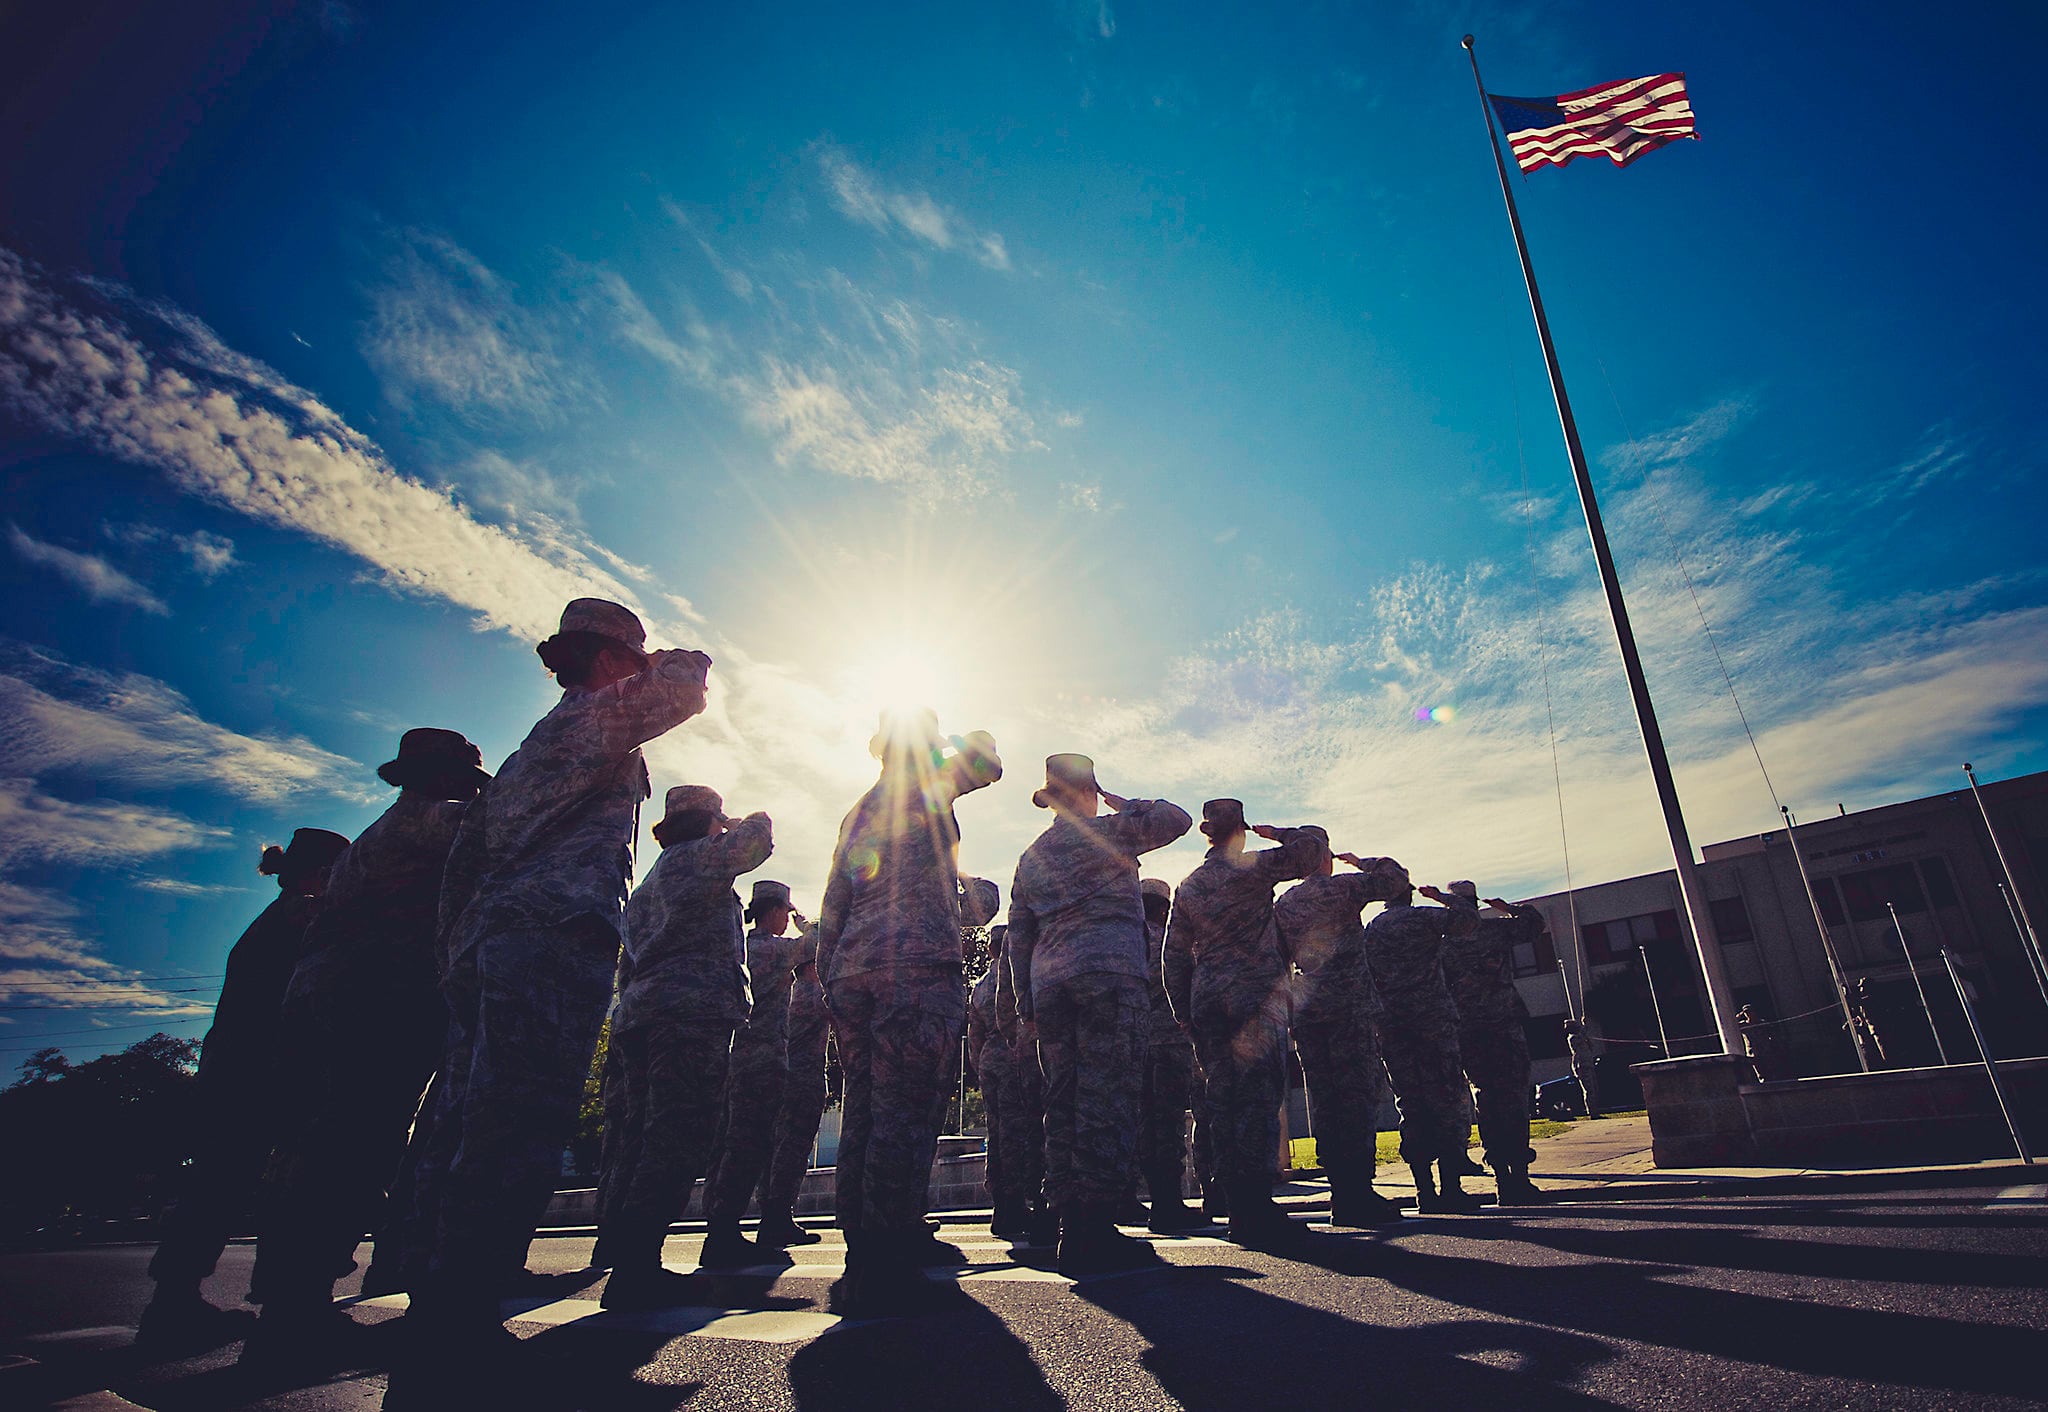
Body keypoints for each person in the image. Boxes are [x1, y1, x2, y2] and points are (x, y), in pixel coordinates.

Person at [403, 599, 711, 1355]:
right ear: (609, 660)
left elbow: (462, 866)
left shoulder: (523, 753)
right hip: (549, 936)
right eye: (630, 660)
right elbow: (687, 683)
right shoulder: (594, 717)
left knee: (467, 1118)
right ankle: (464, 1299)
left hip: (493, 938)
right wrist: (661, 658)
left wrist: (455, 952)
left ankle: (444, 1279)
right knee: (518, 1117)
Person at [250, 731, 489, 1352]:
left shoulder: (392, 827)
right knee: (352, 1141)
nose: (469, 789)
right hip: (372, 1000)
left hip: (344, 998)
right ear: (438, 776)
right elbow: (502, 822)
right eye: (463, 779)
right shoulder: (422, 822)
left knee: (327, 1140)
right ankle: (296, 1299)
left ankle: (289, 1290)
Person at [816, 709, 1002, 1313]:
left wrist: (833, 979)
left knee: (866, 1114)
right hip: (913, 968)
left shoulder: (862, 806)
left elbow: (835, 896)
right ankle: (885, 1258)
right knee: (906, 1114)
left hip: (854, 969)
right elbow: (990, 765)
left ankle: (865, 1246)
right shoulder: (928, 786)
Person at [138, 828, 350, 1347]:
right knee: (251, 1183)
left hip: (238, 1072)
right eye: (340, 871)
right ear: (320, 874)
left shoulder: (277, 917)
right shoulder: (305, 914)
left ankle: (174, 1302)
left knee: (220, 1182)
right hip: (263, 1073)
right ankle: (264, 1302)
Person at [1007, 754, 1192, 1273]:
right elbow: (1174, 818)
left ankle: (1070, 1221)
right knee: (1107, 1097)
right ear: (1089, 793)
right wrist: (1122, 802)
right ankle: (1094, 1228)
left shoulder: (1032, 855)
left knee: (1063, 1101)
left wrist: (1026, 1006)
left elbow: (1020, 936)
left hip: (1051, 987)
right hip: (1108, 976)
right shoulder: (1109, 832)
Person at [595, 787, 773, 1305]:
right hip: (688, 1012)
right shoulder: (697, 858)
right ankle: (636, 1267)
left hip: (645, 1014)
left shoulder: (652, 878)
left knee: (641, 1135)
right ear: (709, 822)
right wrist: (745, 817)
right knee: (677, 1134)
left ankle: (626, 1254)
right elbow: (756, 841)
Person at [1164, 800, 1320, 1250]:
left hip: (1209, 1002)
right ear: (1242, 830)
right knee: (1256, 1101)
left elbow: (1174, 956)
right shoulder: (1253, 867)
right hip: (1253, 998)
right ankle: (1254, 1207)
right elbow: (1310, 851)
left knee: (1224, 1103)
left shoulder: (1190, 885)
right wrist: (1280, 831)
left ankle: (1236, 1203)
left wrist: (1183, 1012)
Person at [1272, 833, 1410, 1227]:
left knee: (1326, 1101)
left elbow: (1279, 958)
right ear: (1325, 857)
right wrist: (1364, 861)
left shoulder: (1285, 904)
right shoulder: (1343, 888)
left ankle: (1341, 1191)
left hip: (1308, 1010)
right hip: (1347, 1007)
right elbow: (1396, 880)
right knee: (1357, 1096)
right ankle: (1357, 1194)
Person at [699, 880, 808, 1268]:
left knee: (727, 1144)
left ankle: (719, 1226)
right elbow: (818, 943)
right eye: (785, 911)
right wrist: (806, 923)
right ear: (776, 911)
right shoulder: (771, 948)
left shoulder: (742, 945)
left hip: (733, 1056)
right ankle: (723, 1233)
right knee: (750, 1144)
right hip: (759, 1059)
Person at [1362, 880, 1482, 1213]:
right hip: (1431, 1022)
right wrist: (1443, 898)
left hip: (1394, 1027)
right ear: (1409, 891)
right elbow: (1468, 920)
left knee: (1411, 1105)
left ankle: (1424, 1190)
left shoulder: (1372, 930)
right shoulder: (1422, 918)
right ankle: (1451, 1189)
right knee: (1444, 1099)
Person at [1443, 886, 1541, 1205]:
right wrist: (1506, 906)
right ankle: (1520, 1179)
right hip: (1503, 1024)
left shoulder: (1444, 943)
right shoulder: (1493, 930)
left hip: (1468, 1029)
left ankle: (1502, 1177)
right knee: (1514, 1097)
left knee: (1486, 1100)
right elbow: (1534, 922)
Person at [1137, 878, 1208, 1232]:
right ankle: (1167, 1203)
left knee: (1148, 1124)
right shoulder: (1165, 943)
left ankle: (1157, 1199)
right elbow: (1185, 982)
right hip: (1169, 1042)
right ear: (1164, 908)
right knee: (1167, 1124)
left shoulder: (1127, 941)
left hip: (1137, 1046)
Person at [756, 924, 830, 1249]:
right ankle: (778, 1218)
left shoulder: (793, 992)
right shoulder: (813, 993)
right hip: (803, 1080)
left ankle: (772, 1216)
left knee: (776, 1148)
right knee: (793, 1149)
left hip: (786, 1077)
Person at [990, 921, 1050, 1243]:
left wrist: (1016, 1037)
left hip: (1028, 1041)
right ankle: (1061, 1206)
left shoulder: (1015, 944)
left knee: (1033, 1128)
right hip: (1056, 1035)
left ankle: (1040, 1207)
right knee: (1061, 1118)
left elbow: (1003, 1005)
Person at [966, 932, 1005, 1223]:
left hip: (990, 1060)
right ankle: (1025, 1202)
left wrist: (980, 1067)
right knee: (1024, 1130)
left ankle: (1003, 1202)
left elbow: (974, 1039)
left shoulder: (980, 987)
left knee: (998, 1131)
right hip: (1016, 1056)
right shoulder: (1017, 976)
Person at [1565, 1018, 1602, 1118]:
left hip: (1589, 1065)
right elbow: (1581, 1035)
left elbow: (1590, 1045)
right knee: (1589, 1090)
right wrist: (1584, 1025)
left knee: (1594, 1089)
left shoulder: (1581, 1037)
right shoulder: (1572, 1038)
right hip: (1582, 1066)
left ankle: (1595, 1110)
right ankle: (1592, 1113)